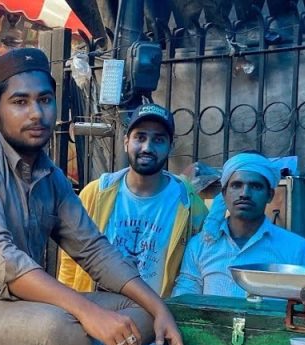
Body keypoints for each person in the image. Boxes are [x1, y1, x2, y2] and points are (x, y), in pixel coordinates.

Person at [0, 48, 184, 345]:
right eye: (20, 102)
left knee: (140, 311)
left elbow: (93, 249)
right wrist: (86, 312)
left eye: (45, 100)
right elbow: (3, 260)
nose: (36, 114)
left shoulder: (51, 176)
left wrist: (159, 308)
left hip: (25, 309)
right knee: (62, 332)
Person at [58, 103, 207, 298]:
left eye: (158, 140)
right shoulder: (95, 194)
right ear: (126, 141)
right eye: (140, 137)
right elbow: (70, 260)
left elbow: (197, 268)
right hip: (97, 313)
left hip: (153, 318)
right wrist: (68, 306)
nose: (147, 147)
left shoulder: (189, 206)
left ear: (170, 147)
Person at [172, 151, 305, 298]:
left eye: (255, 186)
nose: (245, 193)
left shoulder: (298, 250)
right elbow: (184, 302)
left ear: (270, 195)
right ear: (224, 194)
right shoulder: (199, 246)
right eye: (237, 185)